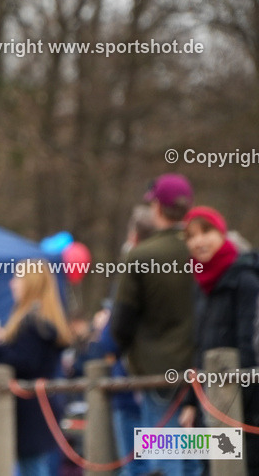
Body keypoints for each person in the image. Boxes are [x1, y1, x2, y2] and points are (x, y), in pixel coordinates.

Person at [110, 174, 198, 476]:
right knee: (197, 454)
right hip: (206, 368)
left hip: (159, 371)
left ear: (158, 208)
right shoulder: (203, 250)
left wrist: (120, 349)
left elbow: (121, 322)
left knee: (164, 459)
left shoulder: (141, 256)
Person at [179, 206, 259, 471]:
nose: (198, 241)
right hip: (209, 401)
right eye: (191, 236)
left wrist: (234, 402)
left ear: (222, 233)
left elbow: (249, 344)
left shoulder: (245, 280)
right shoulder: (201, 287)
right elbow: (200, 346)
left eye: (206, 232)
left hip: (242, 404)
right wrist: (192, 401)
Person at [0, 259, 71, 476]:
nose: (12, 283)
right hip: (42, 403)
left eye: (18, 277)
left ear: (31, 282)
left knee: (32, 467)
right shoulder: (43, 319)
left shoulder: (32, 322)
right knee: (37, 465)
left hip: (31, 407)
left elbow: (24, 362)